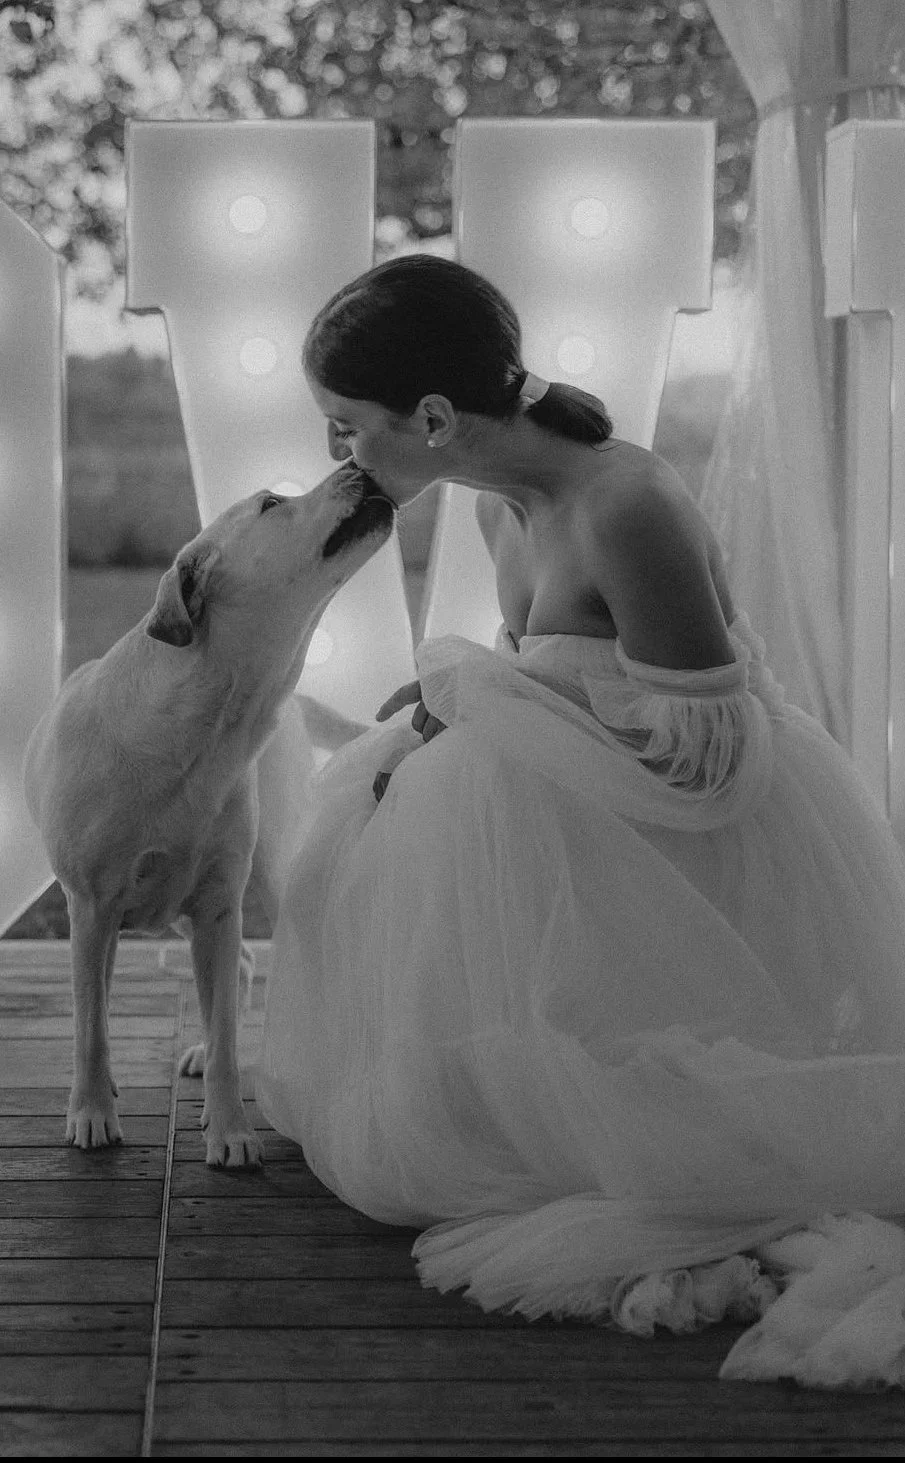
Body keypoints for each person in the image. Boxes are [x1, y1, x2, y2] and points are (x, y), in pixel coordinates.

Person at [252, 255, 905, 1386]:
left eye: (346, 425)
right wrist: (466, 702)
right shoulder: (501, 501)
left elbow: (707, 754)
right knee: (361, 821)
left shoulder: (626, 505)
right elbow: (555, 671)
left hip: (697, 842)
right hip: (596, 813)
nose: (336, 453)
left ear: (433, 417)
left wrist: (490, 701)